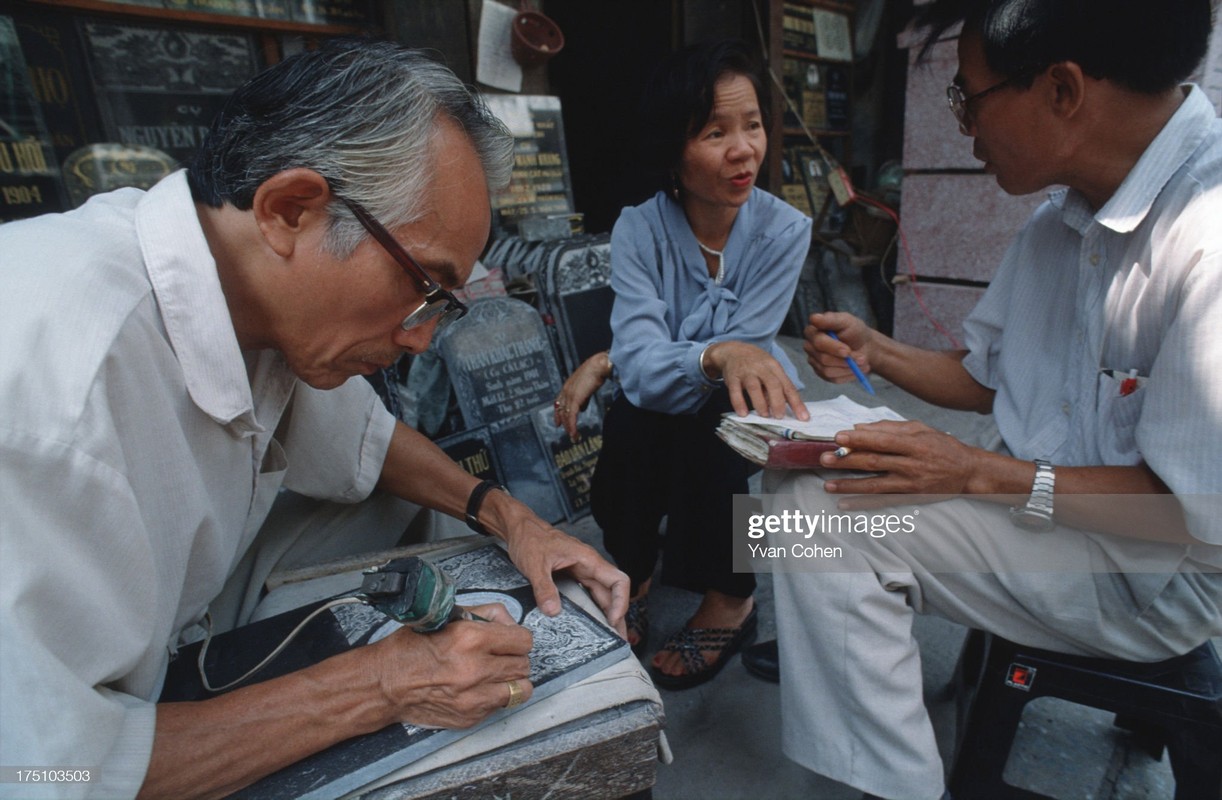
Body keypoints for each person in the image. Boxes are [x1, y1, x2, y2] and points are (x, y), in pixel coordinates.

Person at [0, 39, 629, 799]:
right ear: (290, 209)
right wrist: (379, 685)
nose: (423, 338)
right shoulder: (53, 400)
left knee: (416, 507)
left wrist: (508, 515)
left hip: (174, 629)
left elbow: (365, 439)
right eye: (424, 285)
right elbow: (44, 771)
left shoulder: (238, 278)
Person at [748, 1, 1222, 797]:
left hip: (1153, 574)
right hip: (1049, 514)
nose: (964, 125)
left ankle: (878, 776)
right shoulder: (1059, 224)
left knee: (809, 525)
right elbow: (993, 378)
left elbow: (1187, 514)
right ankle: (851, 684)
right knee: (791, 493)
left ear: (1063, 89)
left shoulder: (1205, 240)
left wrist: (975, 473)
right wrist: (880, 352)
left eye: (968, 97)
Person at [552, 39, 812, 691]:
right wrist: (657, 358)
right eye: (714, 131)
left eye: (752, 124)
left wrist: (626, 358)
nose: (744, 148)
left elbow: (741, 351)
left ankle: (731, 598)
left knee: (719, 426)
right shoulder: (639, 228)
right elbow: (656, 363)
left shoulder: (785, 230)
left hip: (744, 400)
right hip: (670, 392)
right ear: (673, 146)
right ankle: (635, 572)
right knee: (636, 427)